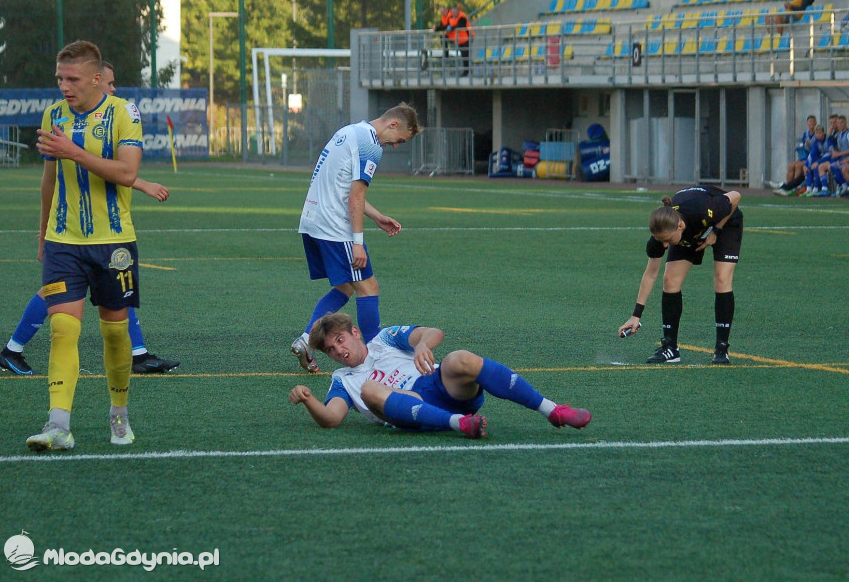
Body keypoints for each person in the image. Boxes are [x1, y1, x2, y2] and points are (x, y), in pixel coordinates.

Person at [0, 61, 179, 377]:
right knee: (60, 300)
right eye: (109, 83)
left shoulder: (116, 115)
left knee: (117, 292)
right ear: (96, 82)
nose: (112, 89)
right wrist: (43, 232)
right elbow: (76, 172)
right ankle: (16, 354)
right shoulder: (67, 118)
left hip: (105, 234)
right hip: (73, 235)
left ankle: (136, 354)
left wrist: (140, 182)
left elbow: (110, 169)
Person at [25, 41, 144, 452]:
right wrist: (42, 231)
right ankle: (59, 424)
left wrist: (73, 151)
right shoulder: (53, 114)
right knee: (62, 329)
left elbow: (128, 173)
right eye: (60, 78)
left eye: (72, 79)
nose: (64, 86)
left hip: (113, 243)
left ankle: (119, 414)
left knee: (115, 334)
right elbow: (49, 180)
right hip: (63, 242)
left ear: (97, 78)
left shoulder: (123, 113)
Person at [289, 313, 591, 438]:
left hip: (440, 386)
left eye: (340, 340)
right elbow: (331, 418)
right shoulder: (344, 379)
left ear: (354, 332)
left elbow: (435, 332)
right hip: (409, 407)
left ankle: (552, 410)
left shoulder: (384, 339)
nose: (338, 351)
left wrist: (421, 345)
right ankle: (460, 425)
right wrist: (307, 399)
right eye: (330, 349)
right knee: (370, 389)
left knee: (459, 358)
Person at [291, 103, 420, 374]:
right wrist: (358, 242)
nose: (396, 146)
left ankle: (306, 341)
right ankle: (374, 358)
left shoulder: (351, 131)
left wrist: (377, 216)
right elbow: (355, 196)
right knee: (368, 288)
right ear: (393, 125)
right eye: (400, 140)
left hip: (313, 220)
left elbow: (344, 188)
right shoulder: (371, 145)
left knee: (345, 288)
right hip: (334, 227)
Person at [618, 187, 743, 366]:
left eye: (667, 240)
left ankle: (722, 348)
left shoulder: (703, 209)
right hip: (689, 234)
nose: (665, 246)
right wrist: (636, 316)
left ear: (679, 226)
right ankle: (670, 347)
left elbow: (736, 196)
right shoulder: (663, 235)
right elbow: (650, 275)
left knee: (722, 279)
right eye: (661, 241)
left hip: (724, 221)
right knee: (670, 280)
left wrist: (716, 230)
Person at [771, 114, 818, 194]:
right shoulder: (805, 134)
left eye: (813, 121)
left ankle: (793, 188)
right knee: (791, 165)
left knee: (798, 166)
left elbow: (815, 149)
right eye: (810, 121)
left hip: (811, 157)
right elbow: (805, 148)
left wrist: (808, 145)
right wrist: (806, 145)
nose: (812, 123)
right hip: (805, 156)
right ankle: (787, 186)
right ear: (807, 123)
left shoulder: (817, 135)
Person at [445, 4, 472, 76]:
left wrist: (451, 28)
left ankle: (467, 71)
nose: (453, 12)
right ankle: (446, 53)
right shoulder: (451, 17)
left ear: (457, 11)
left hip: (466, 38)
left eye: (454, 11)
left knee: (465, 54)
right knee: (463, 55)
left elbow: (460, 25)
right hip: (459, 39)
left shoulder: (462, 17)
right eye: (452, 11)